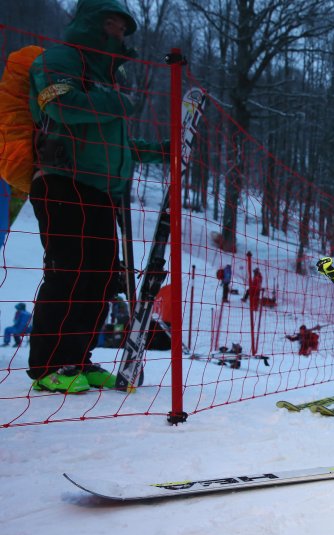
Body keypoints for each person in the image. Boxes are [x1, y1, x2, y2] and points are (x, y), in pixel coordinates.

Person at [27, 0, 169, 393]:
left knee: (103, 277)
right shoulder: (59, 59)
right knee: (68, 271)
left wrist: (159, 151)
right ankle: (47, 367)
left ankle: (78, 359)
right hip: (62, 179)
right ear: (91, 22)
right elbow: (60, 104)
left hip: (103, 188)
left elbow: (115, 143)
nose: (118, 33)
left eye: (123, 28)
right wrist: (119, 101)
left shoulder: (110, 75)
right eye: (111, 23)